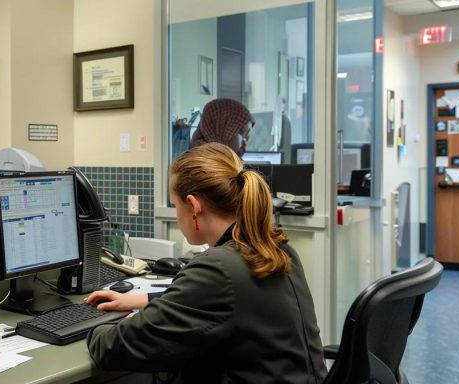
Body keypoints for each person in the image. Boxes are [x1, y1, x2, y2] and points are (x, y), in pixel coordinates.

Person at [85, 143, 326, 383]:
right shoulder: (278, 249)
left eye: (175, 205)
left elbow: (113, 348)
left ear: (193, 206)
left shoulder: (218, 268)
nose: (177, 214)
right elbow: (227, 302)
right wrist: (144, 300)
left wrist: (94, 326)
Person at [189, 98, 254, 156]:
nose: (247, 134)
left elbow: (236, 155)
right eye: (239, 128)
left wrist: (244, 144)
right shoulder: (200, 153)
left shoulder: (225, 139)